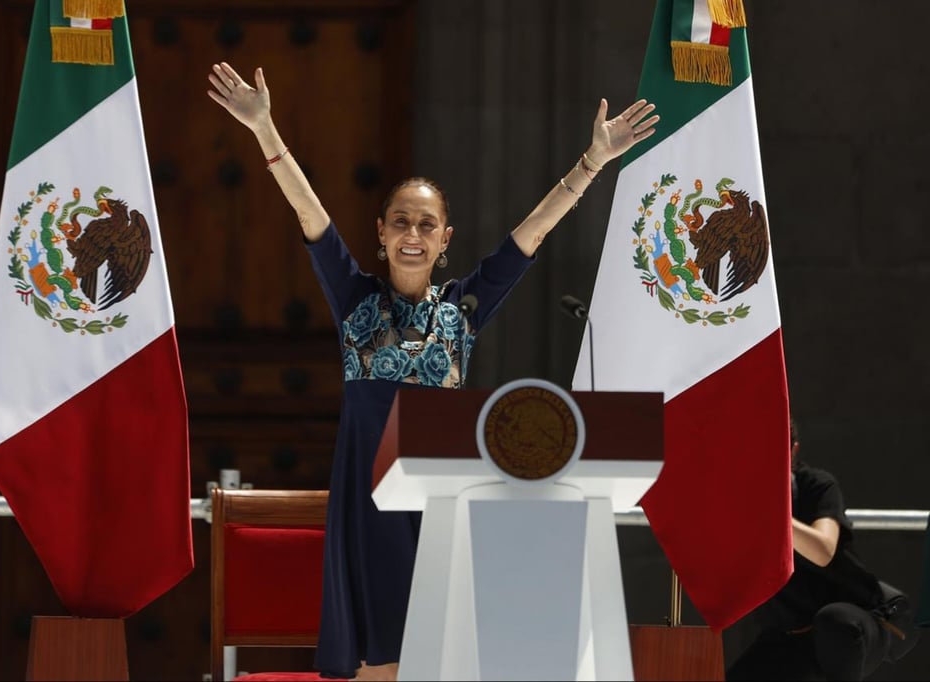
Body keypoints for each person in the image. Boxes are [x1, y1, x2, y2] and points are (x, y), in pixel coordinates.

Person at [206, 61, 659, 681]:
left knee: (442, 656)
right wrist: (264, 128)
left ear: (445, 239)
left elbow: (531, 236)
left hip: (443, 503)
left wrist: (593, 162)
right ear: (381, 234)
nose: (412, 234)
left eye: (426, 224)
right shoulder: (353, 296)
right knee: (382, 656)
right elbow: (308, 212)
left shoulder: (463, 309)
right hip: (370, 498)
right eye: (400, 221)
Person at [726, 418, 919, 681]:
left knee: (836, 623)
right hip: (794, 634)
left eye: (773, 452)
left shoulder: (816, 485)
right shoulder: (740, 500)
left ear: (793, 451)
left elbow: (823, 549)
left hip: (870, 618)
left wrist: (770, 514)